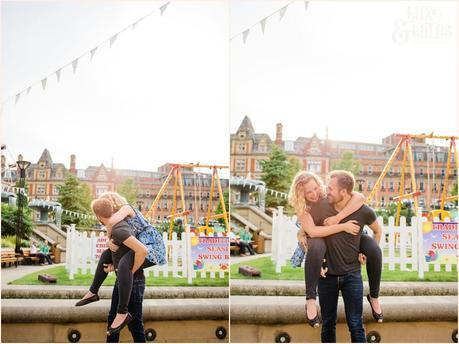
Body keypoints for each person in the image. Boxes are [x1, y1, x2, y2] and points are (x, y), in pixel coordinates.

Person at [288, 170, 383, 328]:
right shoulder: (303, 207)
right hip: (322, 239)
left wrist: (338, 220)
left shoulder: (328, 194)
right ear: (300, 194)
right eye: (308, 192)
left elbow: (359, 197)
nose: (314, 194)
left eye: (315, 188)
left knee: (373, 248)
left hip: (352, 235)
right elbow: (312, 232)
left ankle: (374, 296)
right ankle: (310, 300)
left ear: (319, 184)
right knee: (317, 244)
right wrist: (341, 227)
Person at [317, 171, 381, 342]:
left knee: (355, 324)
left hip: (352, 276)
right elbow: (311, 232)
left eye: (330, 188)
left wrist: (365, 252)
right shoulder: (323, 206)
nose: (326, 191)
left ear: (344, 192)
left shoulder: (363, 211)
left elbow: (377, 230)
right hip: (326, 277)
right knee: (328, 323)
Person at [77, 197, 150, 336]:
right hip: (122, 280)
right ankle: (93, 292)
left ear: (98, 216)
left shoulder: (119, 229)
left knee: (135, 326)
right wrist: (114, 266)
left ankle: (122, 312)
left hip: (134, 280)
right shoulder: (115, 227)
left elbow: (141, 251)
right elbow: (121, 253)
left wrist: (129, 271)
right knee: (112, 320)